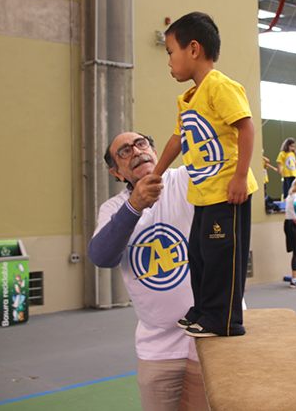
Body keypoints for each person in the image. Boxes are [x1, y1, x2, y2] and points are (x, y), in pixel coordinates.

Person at [153, 12, 257, 338]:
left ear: (194, 49)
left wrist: (240, 177)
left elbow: (246, 128)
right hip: (203, 193)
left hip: (228, 191)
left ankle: (225, 320)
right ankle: (204, 309)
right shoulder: (188, 99)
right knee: (198, 253)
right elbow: (176, 140)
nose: (169, 61)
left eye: (171, 52)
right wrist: (155, 175)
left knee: (222, 256)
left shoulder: (219, 86)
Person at [88, 132, 209, 411]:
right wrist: (134, 206)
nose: (136, 151)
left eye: (141, 144)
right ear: (116, 172)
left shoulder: (184, 179)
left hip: (210, 335)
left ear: (155, 151)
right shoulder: (113, 209)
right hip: (159, 348)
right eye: (124, 151)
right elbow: (101, 257)